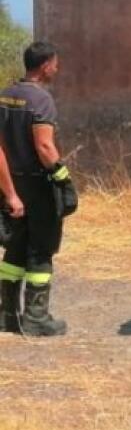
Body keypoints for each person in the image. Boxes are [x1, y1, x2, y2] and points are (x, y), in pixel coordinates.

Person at [0, 42, 74, 336]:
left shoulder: (5, 96)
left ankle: (6, 314)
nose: (57, 68)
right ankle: (36, 317)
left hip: (10, 184)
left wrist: (9, 194)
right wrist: (64, 178)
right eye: (55, 64)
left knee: (15, 248)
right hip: (37, 184)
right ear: (45, 66)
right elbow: (44, 146)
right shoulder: (41, 100)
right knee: (41, 249)